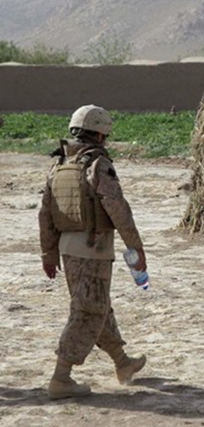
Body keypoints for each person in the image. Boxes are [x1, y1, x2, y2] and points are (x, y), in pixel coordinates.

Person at [38, 105, 147, 400]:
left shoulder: (59, 165)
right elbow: (117, 208)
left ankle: (122, 363)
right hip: (93, 250)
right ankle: (61, 378)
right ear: (100, 134)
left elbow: (46, 214)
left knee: (97, 306)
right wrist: (135, 247)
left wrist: (48, 254)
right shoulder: (97, 164)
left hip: (68, 252)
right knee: (88, 312)